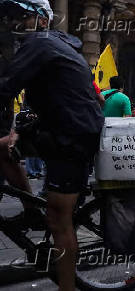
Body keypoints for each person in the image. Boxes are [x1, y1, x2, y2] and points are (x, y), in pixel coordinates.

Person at [0, 1, 104, 290]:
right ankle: (31, 211)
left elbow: (6, 85)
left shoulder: (41, 44)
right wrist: (18, 129)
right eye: (9, 16)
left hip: (74, 135)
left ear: (43, 21)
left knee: (58, 218)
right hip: (55, 127)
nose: (13, 22)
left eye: (22, 15)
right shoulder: (46, 46)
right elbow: (32, 94)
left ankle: (67, 288)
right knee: (2, 147)